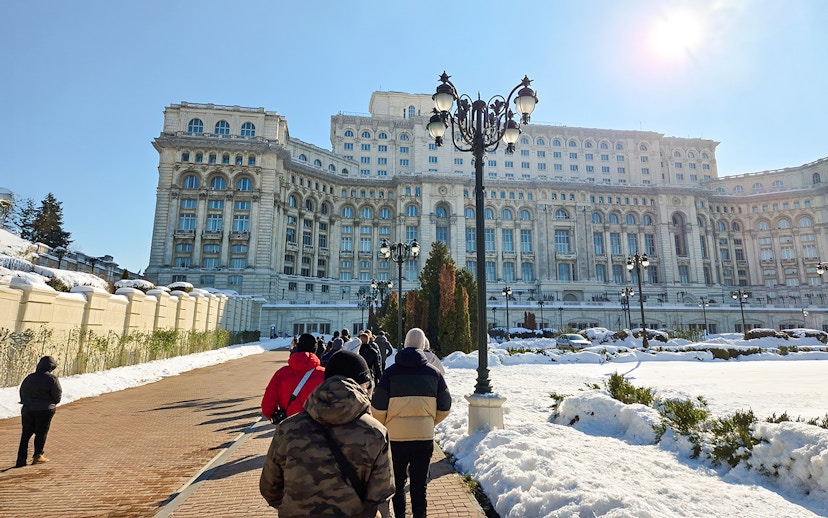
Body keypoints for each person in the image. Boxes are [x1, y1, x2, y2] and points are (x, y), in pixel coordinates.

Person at [260, 350, 395, 517]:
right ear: (363, 385)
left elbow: (270, 488)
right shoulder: (375, 433)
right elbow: (381, 493)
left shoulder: (288, 428)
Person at [371, 328, 452, 518]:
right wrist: (429, 421)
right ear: (423, 344)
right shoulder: (434, 374)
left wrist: (388, 425)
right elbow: (446, 405)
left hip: (396, 439)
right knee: (419, 484)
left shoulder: (390, 373)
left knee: (397, 484)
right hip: (423, 437)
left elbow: (377, 408)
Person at [261, 333, 325, 422]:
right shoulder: (324, 374)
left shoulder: (281, 374)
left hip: (288, 426)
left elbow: (268, 404)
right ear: (315, 350)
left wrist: (274, 416)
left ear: (298, 347)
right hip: (317, 427)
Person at [17, 356, 62, 467]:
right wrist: (52, 403)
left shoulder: (29, 378)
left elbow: (22, 391)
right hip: (45, 410)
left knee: (26, 434)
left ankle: (21, 459)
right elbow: (57, 395)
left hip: (28, 409)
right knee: (41, 433)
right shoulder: (52, 379)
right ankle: (37, 456)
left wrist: (26, 402)